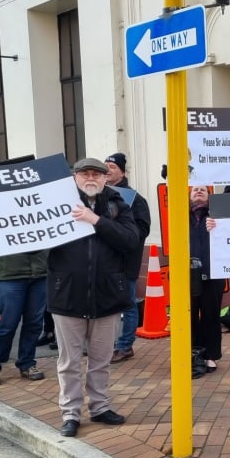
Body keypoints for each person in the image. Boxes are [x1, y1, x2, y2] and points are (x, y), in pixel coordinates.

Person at [50, 157, 140, 437]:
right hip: (67, 295)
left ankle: (100, 407)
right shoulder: (54, 203)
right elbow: (28, 240)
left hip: (108, 295)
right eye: (85, 174)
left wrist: (96, 221)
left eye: (96, 174)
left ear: (104, 178)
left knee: (101, 360)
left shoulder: (117, 203)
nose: (91, 178)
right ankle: (71, 414)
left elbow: (130, 240)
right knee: (69, 362)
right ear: (75, 178)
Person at [0, 220, 48, 387]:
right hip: (11, 273)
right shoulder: (1, 205)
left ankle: (27, 362)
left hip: (40, 272)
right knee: (8, 322)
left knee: (34, 322)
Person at [104, 153, 151, 365]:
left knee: (128, 304)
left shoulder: (135, 199)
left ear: (122, 172)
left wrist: (120, 233)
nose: (107, 169)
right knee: (106, 304)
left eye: (112, 166)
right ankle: (105, 345)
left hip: (125, 261)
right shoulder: (99, 196)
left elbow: (143, 229)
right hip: (104, 262)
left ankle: (125, 346)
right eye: (105, 166)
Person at [189, 185, 226, 374]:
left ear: (210, 195)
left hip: (214, 271)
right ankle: (192, 353)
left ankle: (210, 355)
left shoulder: (218, 214)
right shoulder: (181, 214)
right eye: (195, 189)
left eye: (203, 189)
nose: (198, 191)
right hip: (187, 273)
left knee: (211, 315)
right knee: (190, 314)